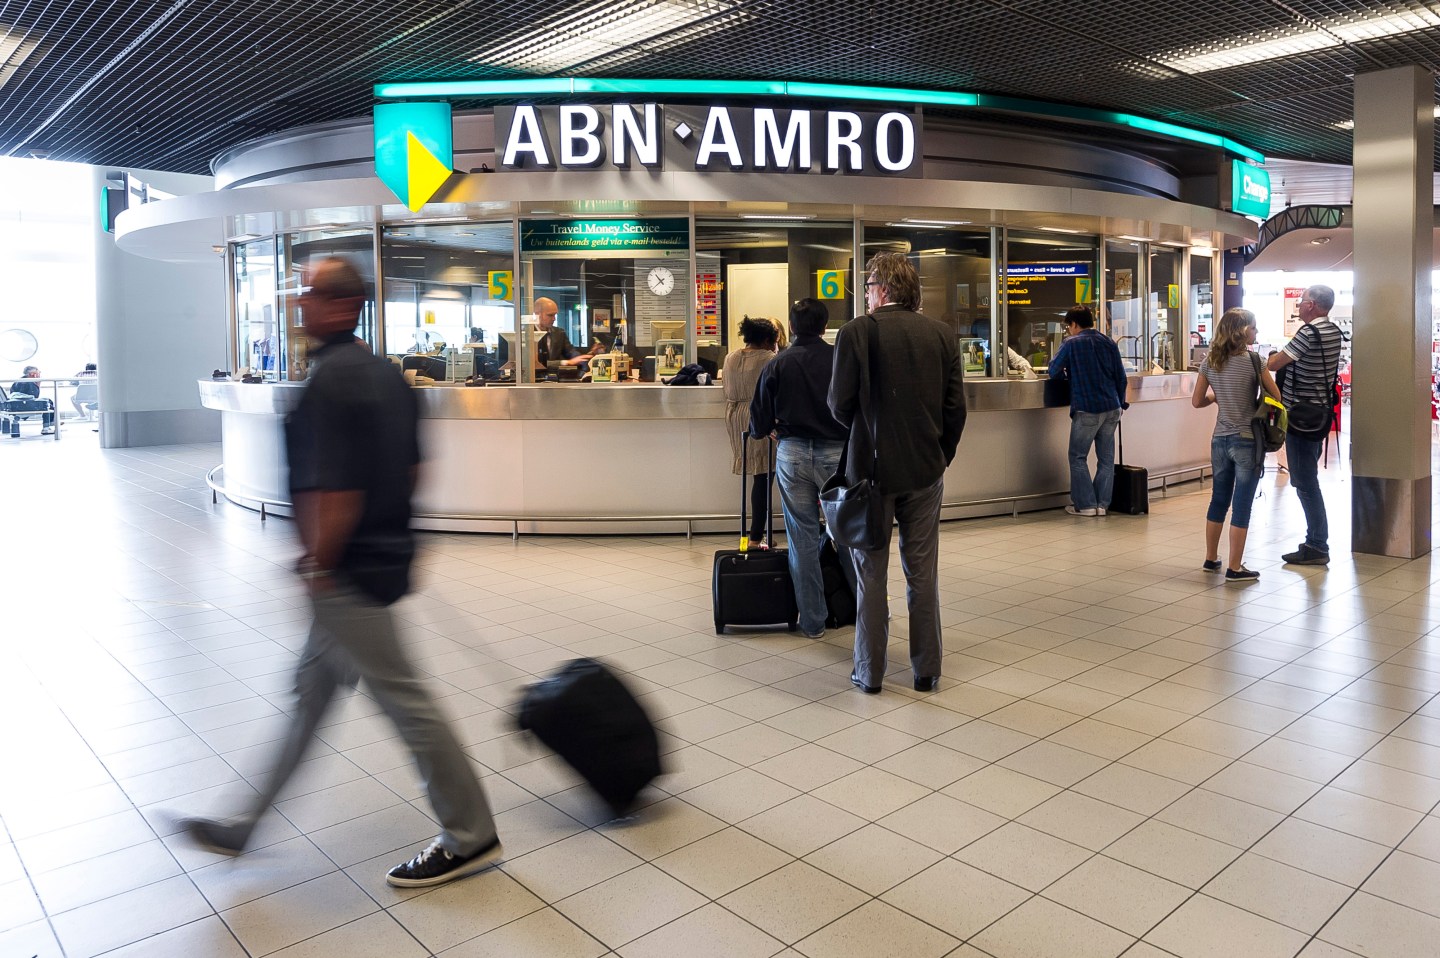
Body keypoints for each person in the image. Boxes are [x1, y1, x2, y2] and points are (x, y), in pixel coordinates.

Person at [180, 258, 502, 889]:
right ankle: (244, 823)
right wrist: (395, 535)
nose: (299, 304)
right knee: (310, 696)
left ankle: (470, 834)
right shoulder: (387, 376)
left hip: (346, 575)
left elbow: (337, 491)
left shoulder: (329, 382)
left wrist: (318, 564)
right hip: (379, 557)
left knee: (406, 701)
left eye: (308, 293)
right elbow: (414, 470)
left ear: (340, 305)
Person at [829, 253, 966, 694]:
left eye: (869, 287)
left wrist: (866, 433)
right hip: (925, 472)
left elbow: (838, 405)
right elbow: (955, 410)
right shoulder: (942, 335)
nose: (867, 295)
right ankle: (927, 670)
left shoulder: (856, 332)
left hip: (869, 475)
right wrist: (939, 456)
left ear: (883, 289)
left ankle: (869, 672)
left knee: (870, 574)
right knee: (922, 573)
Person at [749, 298, 851, 638]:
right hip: (836, 455)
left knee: (802, 539)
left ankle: (812, 622)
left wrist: (772, 429)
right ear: (825, 326)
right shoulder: (839, 359)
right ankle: (866, 610)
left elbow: (758, 421)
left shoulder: (778, 363)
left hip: (791, 454)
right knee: (849, 534)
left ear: (790, 327)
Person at [1191, 308, 1281, 581]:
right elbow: (1276, 396)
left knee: (1218, 500)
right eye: (1253, 328)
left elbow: (1197, 401)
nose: (1256, 332)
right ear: (1242, 331)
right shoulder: (1255, 361)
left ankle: (1210, 559)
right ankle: (1235, 567)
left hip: (1220, 439)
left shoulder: (1210, 362)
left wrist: (1216, 398)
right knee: (1242, 504)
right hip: (1247, 440)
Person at [1268, 284, 1343, 566]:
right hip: (1318, 414)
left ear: (1312, 305)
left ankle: (1317, 544)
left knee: (1305, 482)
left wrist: (1270, 357)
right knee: (1307, 477)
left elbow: (1275, 364)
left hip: (1300, 417)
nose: (1298, 305)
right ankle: (1316, 542)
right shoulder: (1334, 331)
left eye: (1301, 301)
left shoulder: (1309, 333)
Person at [1047, 305, 1129, 516]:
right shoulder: (1109, 342)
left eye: (1069, 326)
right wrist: (1121, 403)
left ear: (1074, 324)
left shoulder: (1070, 343)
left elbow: (1053, 371)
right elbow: (1121, 377)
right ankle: (1102, 505)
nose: (1069, 330)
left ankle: (1085, 505)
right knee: (1106, 459)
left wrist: (1067, 375)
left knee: (1078, 457)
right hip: (1112, 408)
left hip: (1087, 408)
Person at [723, 317, 779, 547]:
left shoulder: (730, 357)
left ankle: (753, 537)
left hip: (735, 417)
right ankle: (755, 537)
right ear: (767, 340)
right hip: (760, 417)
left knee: (756, 474)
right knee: (764, 477)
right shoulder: (770, 359)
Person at [533, 297, 600, 371]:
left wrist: (588, 356)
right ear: (537, 314)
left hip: (557, 376)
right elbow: (535, 363)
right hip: (534, 377)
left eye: (555, 315)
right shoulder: (527, 335)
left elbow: (571, 352)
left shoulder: (559, 333)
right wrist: (566, 362)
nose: (554, 319)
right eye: (550, 315)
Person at [9, 365, 56, 434]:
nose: (39, 375)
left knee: (48, 401)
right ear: (33, 374)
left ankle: (51, 422)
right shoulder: (30, 383)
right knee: (46, 403)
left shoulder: (18, 382)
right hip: (25, 406)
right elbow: (34, 397)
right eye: (38, 373)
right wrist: (38, 385)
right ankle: (46, 427)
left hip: (15, 406)